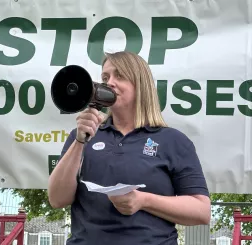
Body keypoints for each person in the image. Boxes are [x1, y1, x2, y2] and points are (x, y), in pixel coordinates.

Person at [47, 51, 211, 245]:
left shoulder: (173, 141)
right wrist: (80, 141)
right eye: (105, 77)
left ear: (140, 84)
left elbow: (201, 211)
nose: (110, 82)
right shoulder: (81, 136)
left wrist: (144, 201)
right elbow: (57, 199)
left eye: (120, 75)